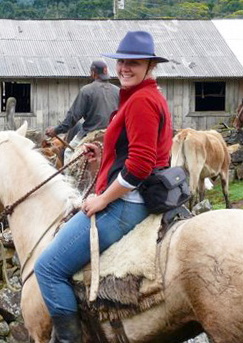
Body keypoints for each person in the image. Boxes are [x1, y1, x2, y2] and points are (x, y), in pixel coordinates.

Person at [34, 31, 173, 342]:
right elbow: (132, 152)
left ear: (150, 66)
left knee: (47, 268)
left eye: (134, 62)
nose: (125, 67)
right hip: (135, 195)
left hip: (127, 204)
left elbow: (139, 165)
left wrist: (101, 200)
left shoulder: (140, 102)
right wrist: (104, 156)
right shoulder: (145, 97)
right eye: (122, 61)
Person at [45, 60, 119, 163]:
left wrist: (56, 130)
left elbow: (72, 118)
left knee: (68, 153)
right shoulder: (118, 91)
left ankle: (69, 178)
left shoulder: (87, 90)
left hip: (92, 133)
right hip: (113, 134)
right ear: (106, 73)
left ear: (93, 73)